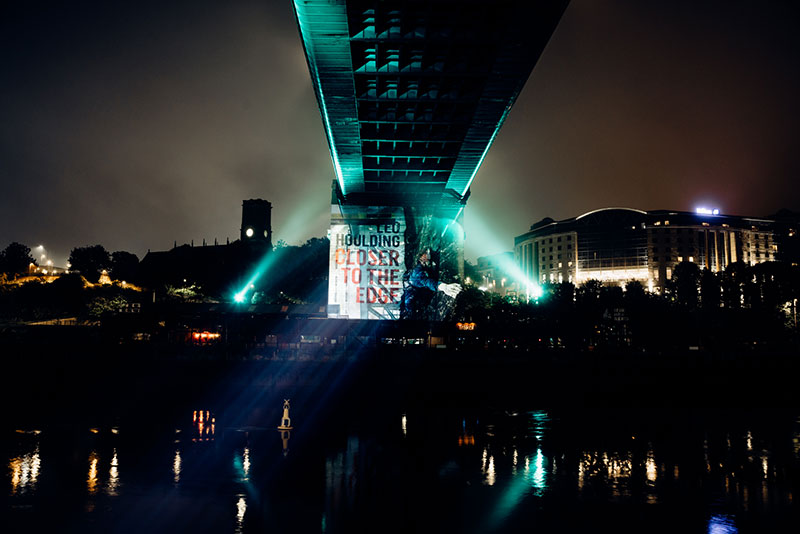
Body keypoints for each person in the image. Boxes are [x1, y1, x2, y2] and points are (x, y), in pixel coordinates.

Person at [400, 248, 461, 320]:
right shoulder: (416, 272)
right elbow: (426, 281)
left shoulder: (423, 266)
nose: (429, 255)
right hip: (412, 307)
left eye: (429, 253)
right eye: (426, 253)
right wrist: (442, 286)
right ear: (422, 257)